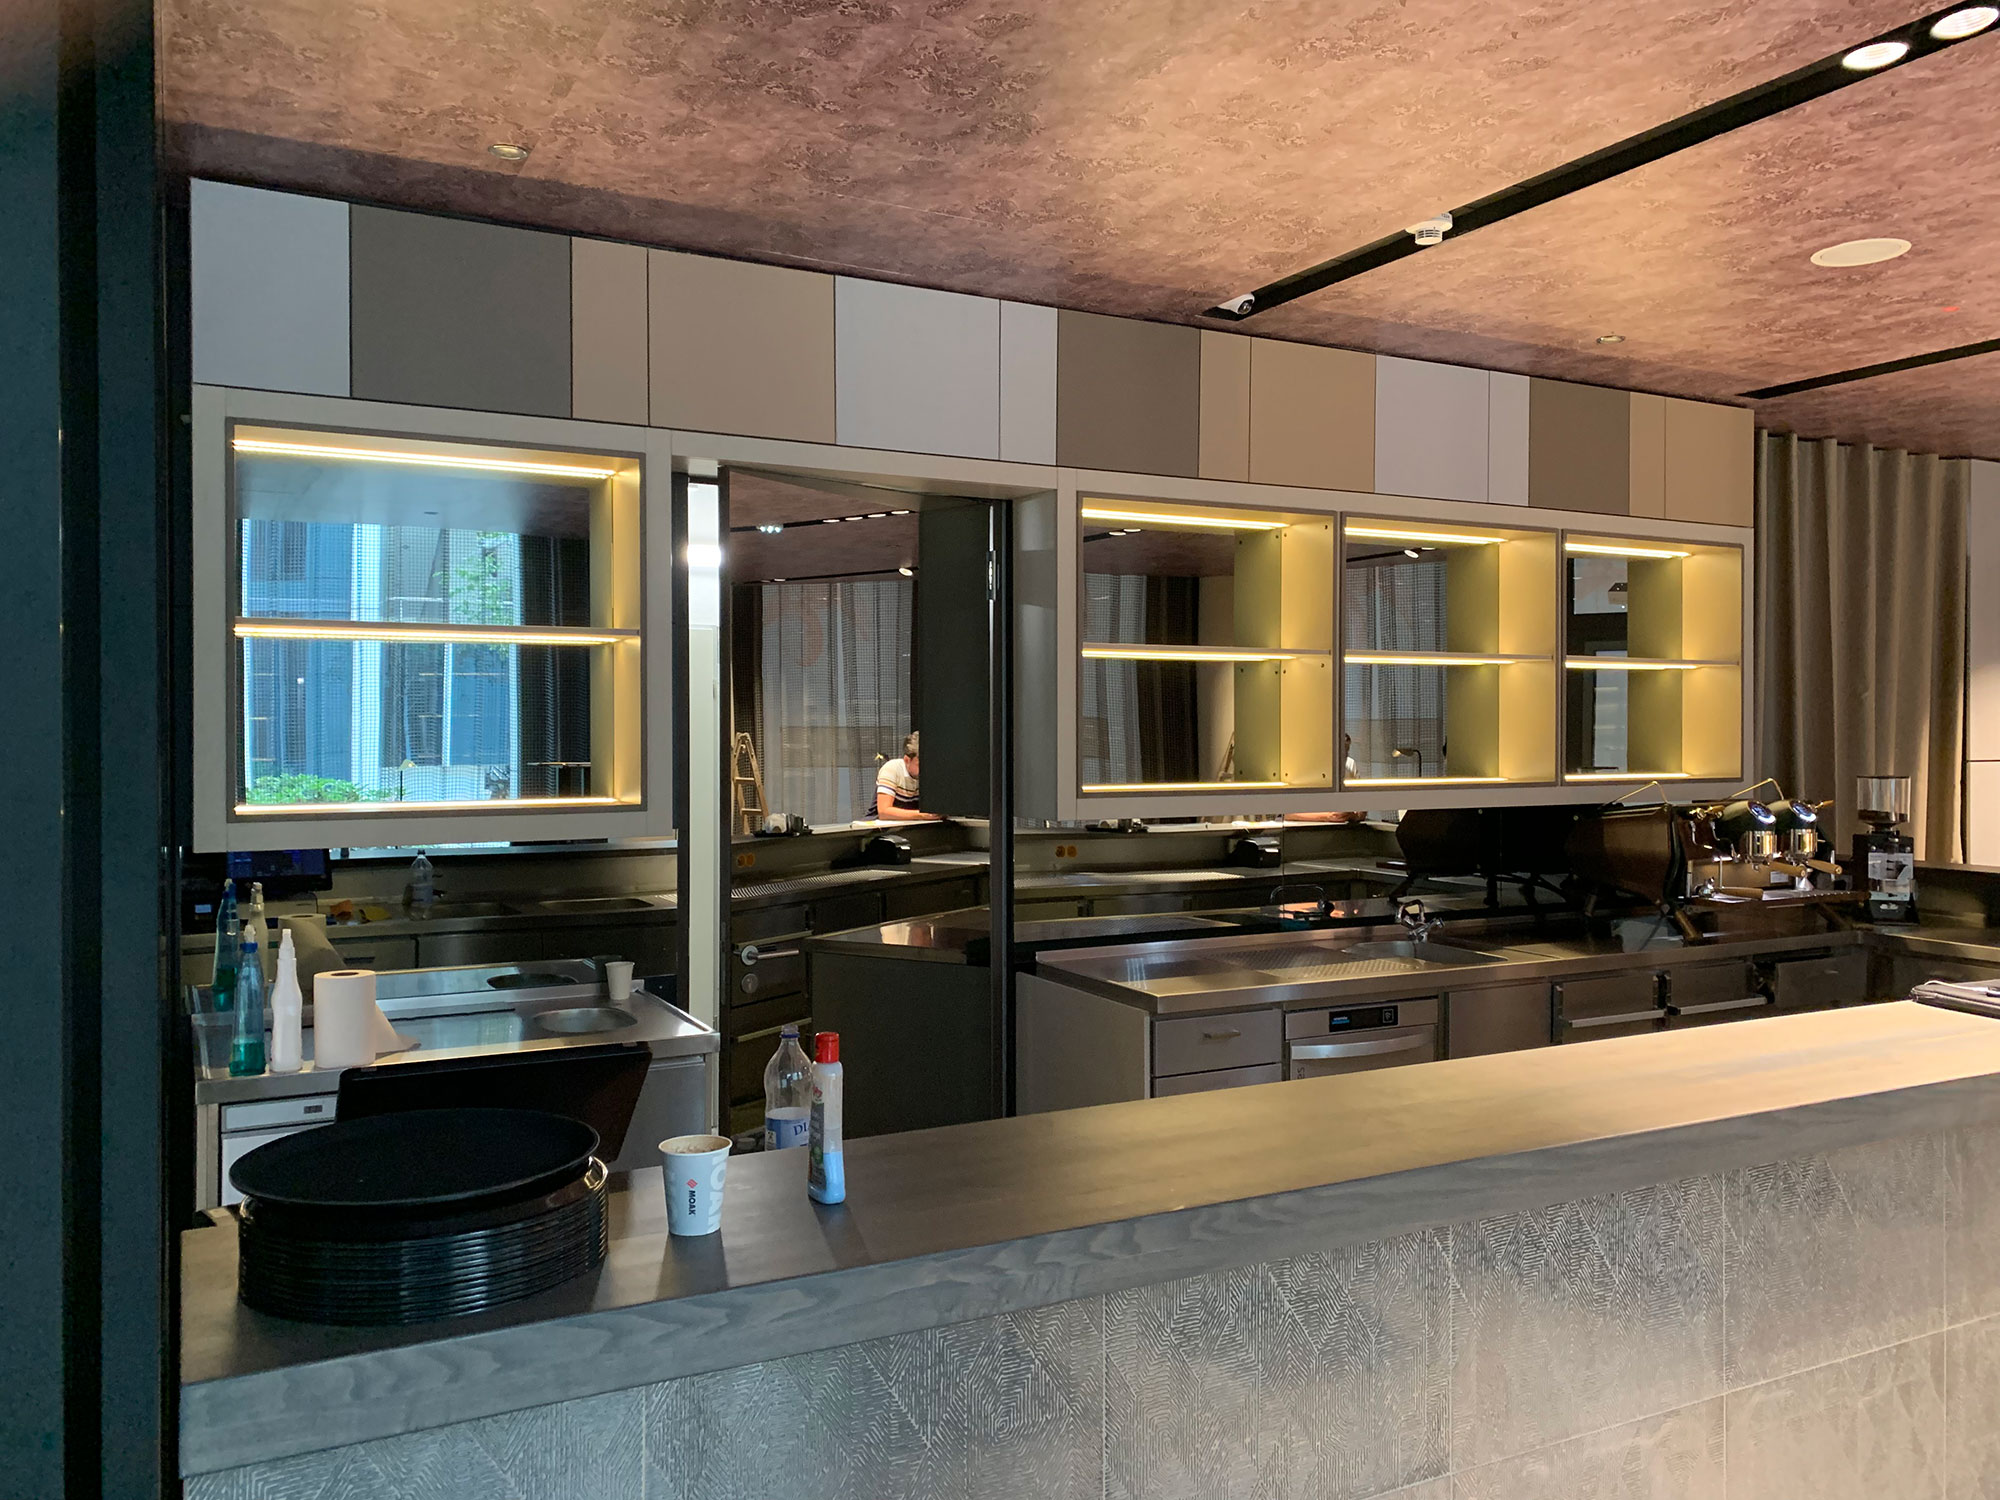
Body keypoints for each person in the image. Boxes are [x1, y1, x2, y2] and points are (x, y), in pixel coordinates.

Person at [874, 732, 940, 822]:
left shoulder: (931, 775)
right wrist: (922, 815)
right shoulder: (892, 769)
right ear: (907, 760)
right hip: (881, 827)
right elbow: (884, 812)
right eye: (920, 765)